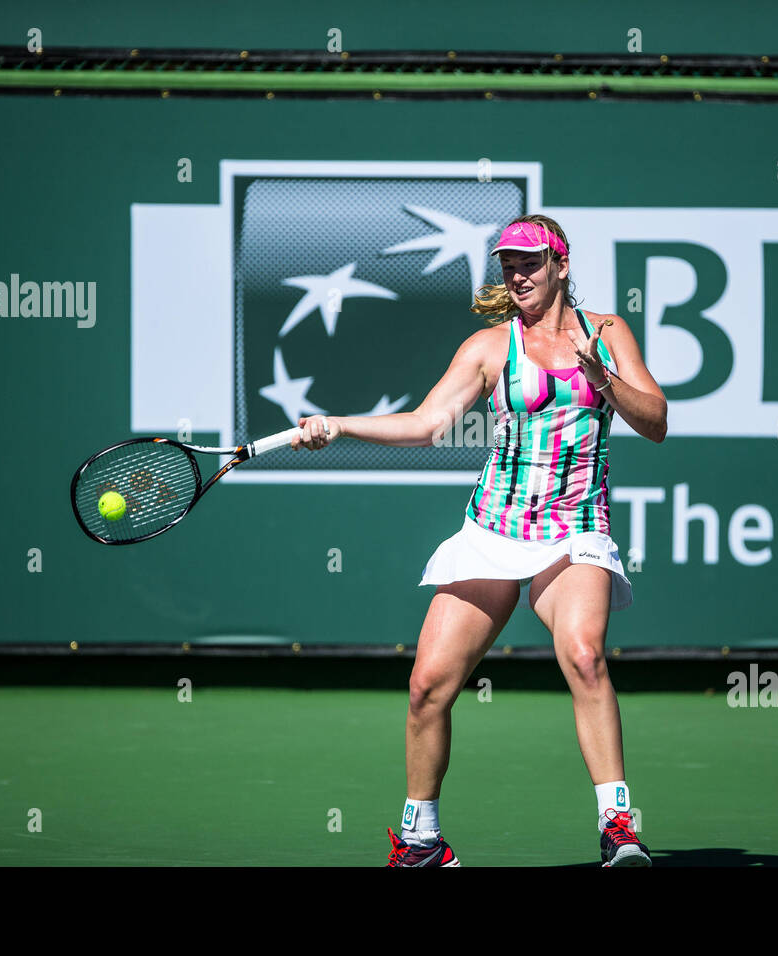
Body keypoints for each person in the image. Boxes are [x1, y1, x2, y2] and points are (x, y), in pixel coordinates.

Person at [291, 215, 667, 866]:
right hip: (495, 526)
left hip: (574, 527)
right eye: (509, 265)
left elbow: (657, 420)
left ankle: (617, 825)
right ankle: (419, 841)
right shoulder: (489, 348)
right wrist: (338, 424)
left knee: (583, 654)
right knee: (427, 686)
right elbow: (425, 423)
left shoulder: (608, 334)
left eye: (530, 262)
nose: (517, 274)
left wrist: (604, 380)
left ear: (560, 264)